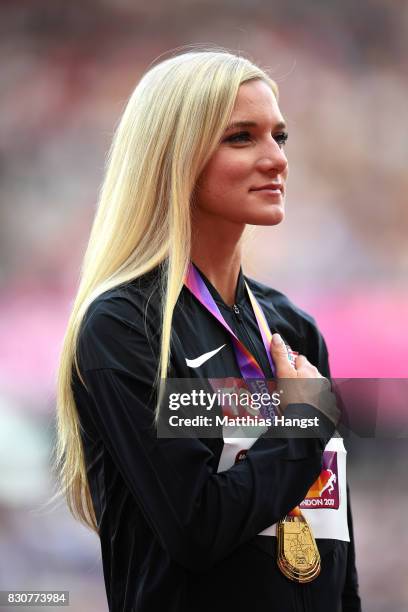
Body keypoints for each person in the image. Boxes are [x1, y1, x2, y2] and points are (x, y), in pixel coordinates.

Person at [56, 49, 361, 611]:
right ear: (175, 157)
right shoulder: (125, 325)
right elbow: (198, 526)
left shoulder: (293, 327)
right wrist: (301, 425)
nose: (275, 159)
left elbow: (335, 540)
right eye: (242, 136)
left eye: (280, 136)